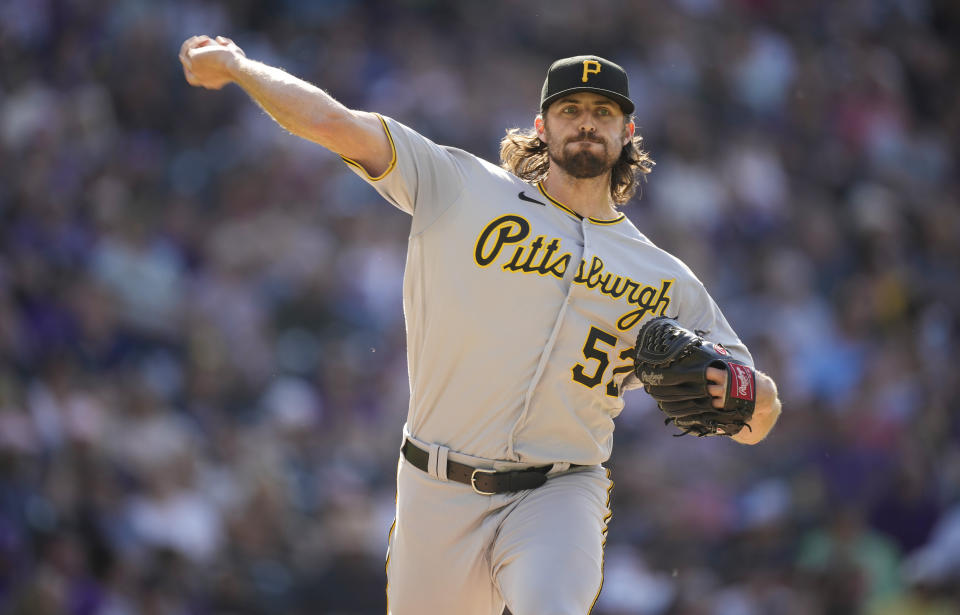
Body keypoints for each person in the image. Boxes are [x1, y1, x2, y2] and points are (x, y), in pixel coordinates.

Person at [179, 35, 783, 615]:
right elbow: (336, 123)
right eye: (570, 109)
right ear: (542, 128)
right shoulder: (460, 186)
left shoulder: (664, 277)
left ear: (627, 133)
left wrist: (741, 394)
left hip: (561, 490)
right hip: (435, 486)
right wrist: (238, 66)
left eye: (604, 111)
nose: (587, 122)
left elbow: (759, 414)